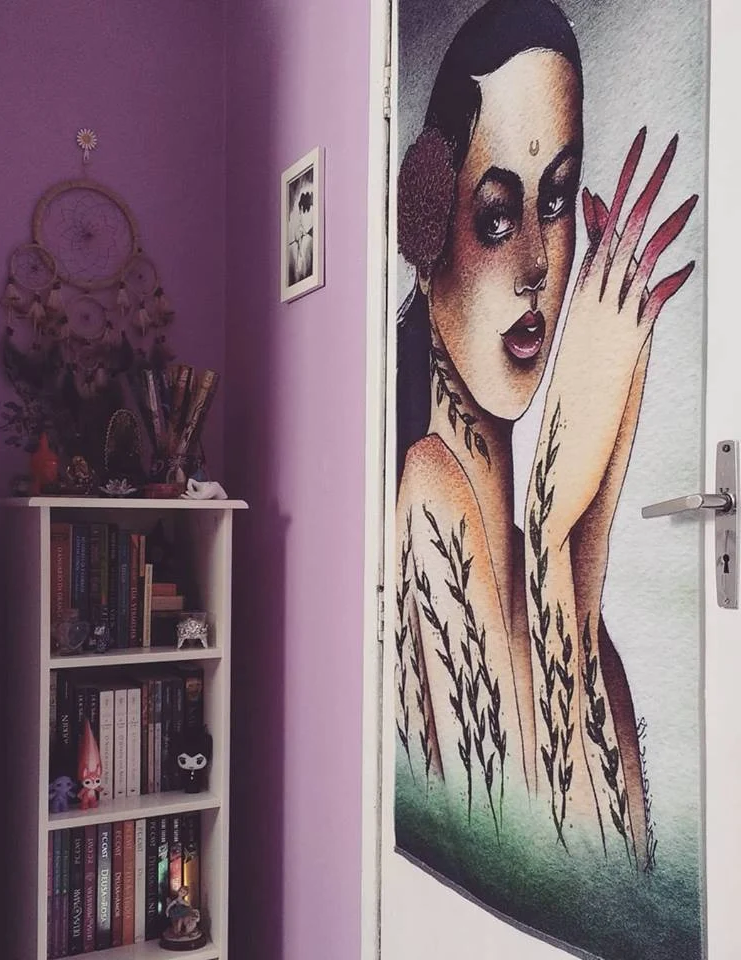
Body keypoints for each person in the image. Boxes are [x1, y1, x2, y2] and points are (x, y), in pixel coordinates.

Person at [394, 0, 695, 866]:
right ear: (428, 229)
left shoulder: (546, 579)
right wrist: (556, 531)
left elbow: (623, 872)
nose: (535, 262)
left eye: (556, 201)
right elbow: (533, 863)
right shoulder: (429, 492)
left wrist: (578, 536)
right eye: (496, 215)